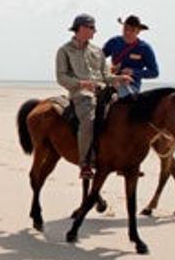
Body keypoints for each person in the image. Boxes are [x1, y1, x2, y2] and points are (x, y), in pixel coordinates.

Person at [55, 14, 132, 178]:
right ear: (81, 28)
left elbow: (105, 76)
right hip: (81, 95)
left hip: (104, 91)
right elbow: (61, 77)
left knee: (126, 115)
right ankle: (85, 164)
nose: (94, 31)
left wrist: (119, 78)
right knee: (88, 121)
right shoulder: (64, 51)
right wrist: (82, 84)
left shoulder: (97, 51)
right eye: (91, 28)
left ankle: (123, 160)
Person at [103, 14, 159, 97]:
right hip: (111, 79)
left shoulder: (145, 48)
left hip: (130, 85)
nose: (127, 32)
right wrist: (108, 68)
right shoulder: (114, 42)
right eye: (125, 29)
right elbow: (99, 58)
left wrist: (133, 72)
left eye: (132, 30)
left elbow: (154, 72)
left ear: (138, 31)